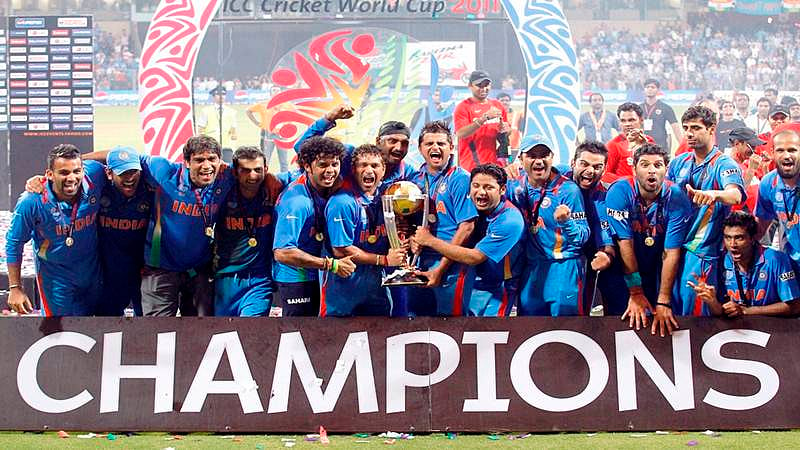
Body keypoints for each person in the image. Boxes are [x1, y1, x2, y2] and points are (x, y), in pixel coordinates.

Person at [6, 144, 106, 316]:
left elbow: (116, 154)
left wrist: (82, 159)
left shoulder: (94, 175)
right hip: (56, 278)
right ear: (50, 175)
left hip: (92, 272)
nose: (72, 178)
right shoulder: (31, 201)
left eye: (76, 171)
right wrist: (15, 288)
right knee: (62, 334)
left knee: (95, 330)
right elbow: (14, 243)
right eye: (64, 172)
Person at [411, 163, 524, 316]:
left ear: (502, 190)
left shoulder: (510, 220)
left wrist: (429, 240)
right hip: (473, 280)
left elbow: (474, 257)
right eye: (476, 186)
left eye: (488, 187)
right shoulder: (472, 207)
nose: (481, 192)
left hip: (498, 287)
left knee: (486, 335)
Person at [666, 106, 745, 316]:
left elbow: (735, 195)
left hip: (701, 251)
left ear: (711, 129)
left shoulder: (724, 163)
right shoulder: (678, 162)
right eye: (686, 128)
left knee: (694, 315)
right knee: (670, 308)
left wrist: (714, 194)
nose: (689, 133)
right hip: (673, 247)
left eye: (695, 128)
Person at [606, 143, 691, 336]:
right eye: (644, 165)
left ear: (666, 170)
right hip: (625, 265)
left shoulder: (677, 197)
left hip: (658, 265)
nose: (652, 170)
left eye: (658, 165)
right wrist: (635, 292)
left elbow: (671, 253)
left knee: (662, 314)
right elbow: (625, 244)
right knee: (625, 317)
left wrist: (663, 301)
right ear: (634, 169)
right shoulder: (619, 192)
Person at [273, 136, 356, 316]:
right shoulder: (296, 202)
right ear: (307, 166)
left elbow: (350, 148)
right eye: (323, 165)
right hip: (295, 278)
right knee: (298, 336)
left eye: (335, 164)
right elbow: (282, 252)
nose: (330, 171)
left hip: (317, 274)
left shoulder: (323, 186)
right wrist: (330, 265)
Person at [508, 135, 589, 316]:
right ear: (520, 159)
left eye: (544, 155)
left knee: (566, 331)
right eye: (532, 155)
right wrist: (502, 171)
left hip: (563, 268)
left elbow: (583, 236)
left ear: (552, 158)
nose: (539, 161)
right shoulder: (513, 186)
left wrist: (566, 222)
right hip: (531, 268)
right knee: (529, 330)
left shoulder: (568, 190)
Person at [323, 144, 408, 316]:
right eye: (363, 165)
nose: (369, 170)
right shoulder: (342, 202)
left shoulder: (388, 198)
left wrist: (402, 239)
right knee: (337, 340)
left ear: (383, 170)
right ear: (354, 170)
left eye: (375, 166)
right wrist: (384, 260)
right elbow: (340, 249)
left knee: (379, 339)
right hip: (344, 291)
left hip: (377, 290)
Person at [407, 120, 478, 316]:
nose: (435, 148)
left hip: (452, 263)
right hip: (421, 261)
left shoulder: (460, 178)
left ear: (451, 148)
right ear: (420, 149)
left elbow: (467, 227)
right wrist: (412, 240)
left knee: (451, 324)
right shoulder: (415, 180)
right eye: (429, 144)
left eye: (441, 143)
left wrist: (441, 268)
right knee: (417, 321)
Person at [214, 146, 283, 317]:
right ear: (235, 172)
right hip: (225, 279)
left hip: (259, 280)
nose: (253, 176)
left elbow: (306, 170)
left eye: (257, 170)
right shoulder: (223, 193)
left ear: (266, 170)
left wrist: (327, 120)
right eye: (245, 170)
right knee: (223, 334)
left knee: (250, 332)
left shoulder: (276, 189)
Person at [692, 211, 800, 317]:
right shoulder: (719, 261)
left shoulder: (776, 259)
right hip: (736, 331)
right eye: (728, 237)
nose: (732, 244)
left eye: (739, 238)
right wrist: (713, 302)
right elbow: (721, 313)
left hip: (773, 329)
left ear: (752, 238)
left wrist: (747, 311)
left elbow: (795, 306)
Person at [563, 141, 627, 316]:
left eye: (597, 166)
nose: (590, 171)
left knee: (614, 288)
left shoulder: (607, 195)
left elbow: (606, 233)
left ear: (605, 169)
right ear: (572, 163)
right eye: (584, 164)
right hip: (561, 256)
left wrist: (607, 254)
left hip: (595, 253)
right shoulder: (557, 180)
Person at [294, 104, 416, 192]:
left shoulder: (407, 172)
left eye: (404, 143)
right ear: (378, 141)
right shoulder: (351, 155)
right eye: (392, 141)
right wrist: (328, 119)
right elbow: (301, 147)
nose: (399, 148)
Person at [96, 148, 153, 316]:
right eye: (123, 173)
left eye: (134, 171)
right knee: (108, 325)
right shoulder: (98, 187)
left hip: (143, 271)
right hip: (108, 273)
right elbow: (68, 169)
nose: (130, 178)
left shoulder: (150, 187)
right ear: (109, 173)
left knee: (148, 325)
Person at [755, 127, 800, 272]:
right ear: (773, 153)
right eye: (780, 150)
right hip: (791, 263)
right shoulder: (768, 183)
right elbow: (762, 226)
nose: (787, 155)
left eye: (792, 150)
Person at [454, 70, 510, 171]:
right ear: (470, 86)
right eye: (479, 85)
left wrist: (506, 129)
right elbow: (460, 133)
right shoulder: (463, 107)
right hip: (471, 166)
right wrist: (484, 118)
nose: (483, 88)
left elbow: (506, 132)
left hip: (495, 166)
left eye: (486, 85)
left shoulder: (497, 105)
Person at [601, 102, 655, 184]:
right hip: (627, 193)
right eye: (623, 121)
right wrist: (631, 182)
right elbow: (605, 174)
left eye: (631, 120)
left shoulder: (649, 141)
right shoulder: (614, 145)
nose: (627, 124)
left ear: (641, 120)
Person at [245, 86, 294, 172]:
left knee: (284, 161)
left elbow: (294, 116)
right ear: (270, 93)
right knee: (265, 160)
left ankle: (285, 181)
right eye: (274, 90)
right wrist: (257, 123)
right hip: (268, 135)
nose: (276, 92)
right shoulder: (263, 104)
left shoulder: (288, 105)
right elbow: (248, 111)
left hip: (282, 135)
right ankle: (263, 180)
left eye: (278, 90)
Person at [197, 86, 238, 164]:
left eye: (223, 94)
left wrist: (234, 135)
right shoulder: (206, 111)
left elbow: (233, 129)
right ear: (213, 96)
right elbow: (201, 129)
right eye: (218, 94)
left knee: (227, 169)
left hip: (227, 147)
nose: (221, 96)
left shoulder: (232, 112)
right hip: (210, 146)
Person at [640, 78, 682, 152]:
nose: (650, 89)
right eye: (647, 87)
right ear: (644, 90)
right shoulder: (639, 108)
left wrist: (683, 145)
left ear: (658, 90)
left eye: (653, 87)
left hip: (660, 146)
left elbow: (675, 127)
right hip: (642, 146)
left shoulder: (666, 108)